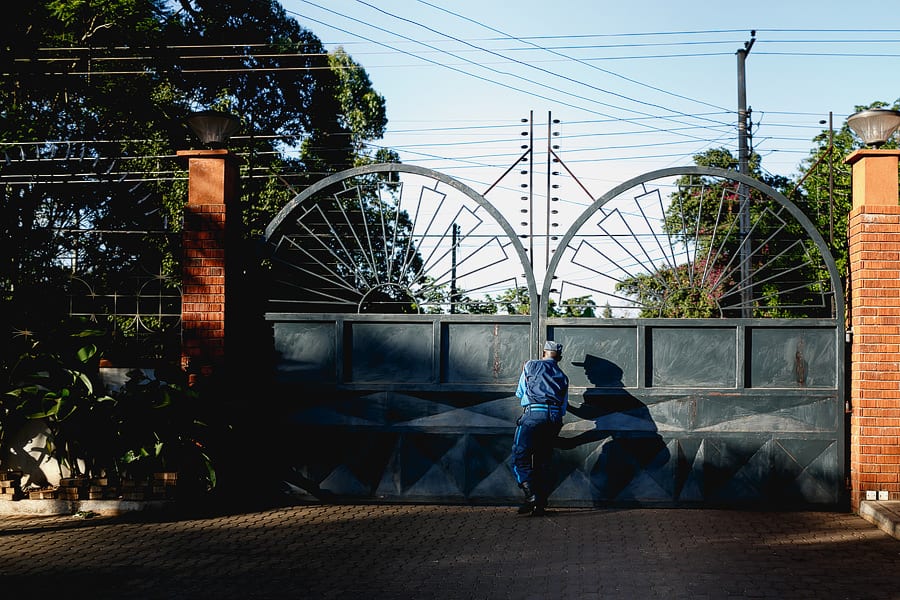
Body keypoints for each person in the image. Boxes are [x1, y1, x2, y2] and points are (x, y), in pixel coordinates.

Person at [511, 340, 569, 515]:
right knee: (543, 461)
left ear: (544, 352)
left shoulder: (530, 365)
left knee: (520, 457)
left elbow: (520, 392)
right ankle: (539, 505)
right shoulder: (563, 376)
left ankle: (531, 496)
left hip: (533, 415)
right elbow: (563, 408)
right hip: (554, 418)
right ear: (559, 357)